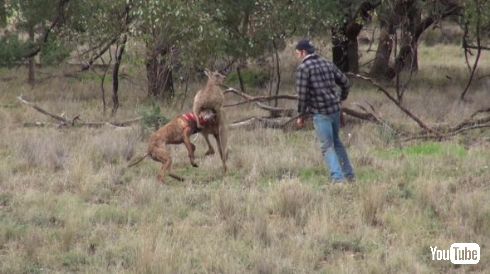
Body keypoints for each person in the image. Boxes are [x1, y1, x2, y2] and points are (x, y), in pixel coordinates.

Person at [294, 39, 355, 183]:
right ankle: (349, 175)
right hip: (334, 110)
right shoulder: (327, 63)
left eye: (297, 53)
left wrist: (301, 116)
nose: (297, 56)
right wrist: (341, 98)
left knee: (327, 146)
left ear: (303, 52)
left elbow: (302, 96)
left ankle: (338, 179)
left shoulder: (304, 68)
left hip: (321, 113)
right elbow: (346, 82)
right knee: (337, 142)